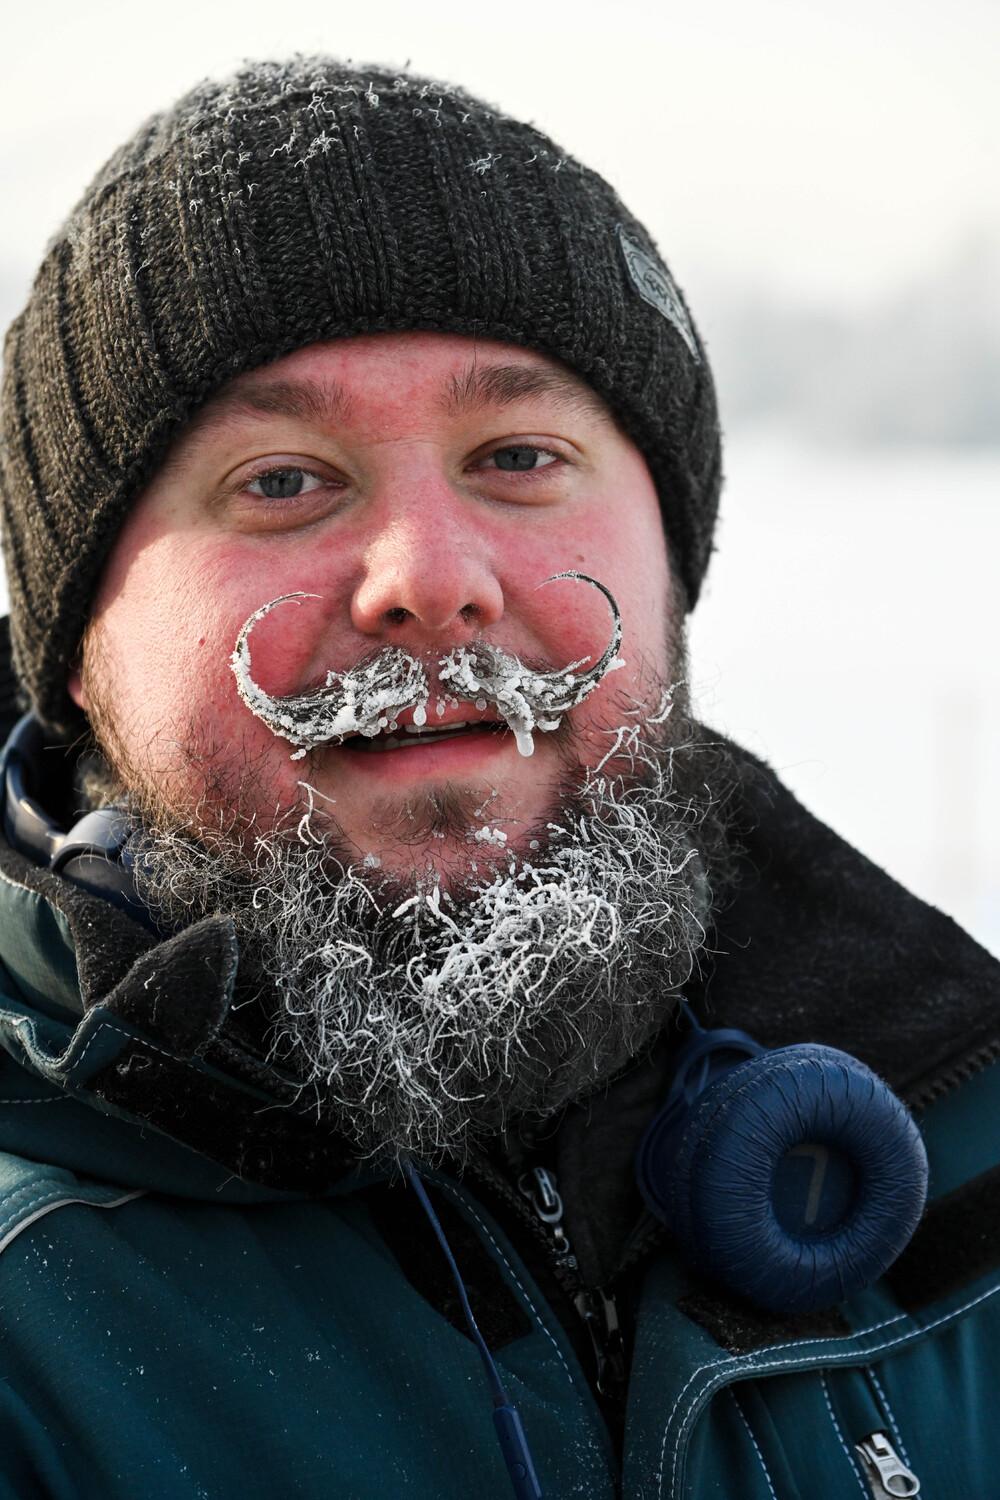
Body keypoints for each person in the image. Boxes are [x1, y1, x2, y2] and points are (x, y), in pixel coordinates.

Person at [0, 56, 996, 1500]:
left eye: (518, 455)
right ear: (80, 649)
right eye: (281, 479)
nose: (431, 580)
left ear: (670, 570)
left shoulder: (963, 1161)